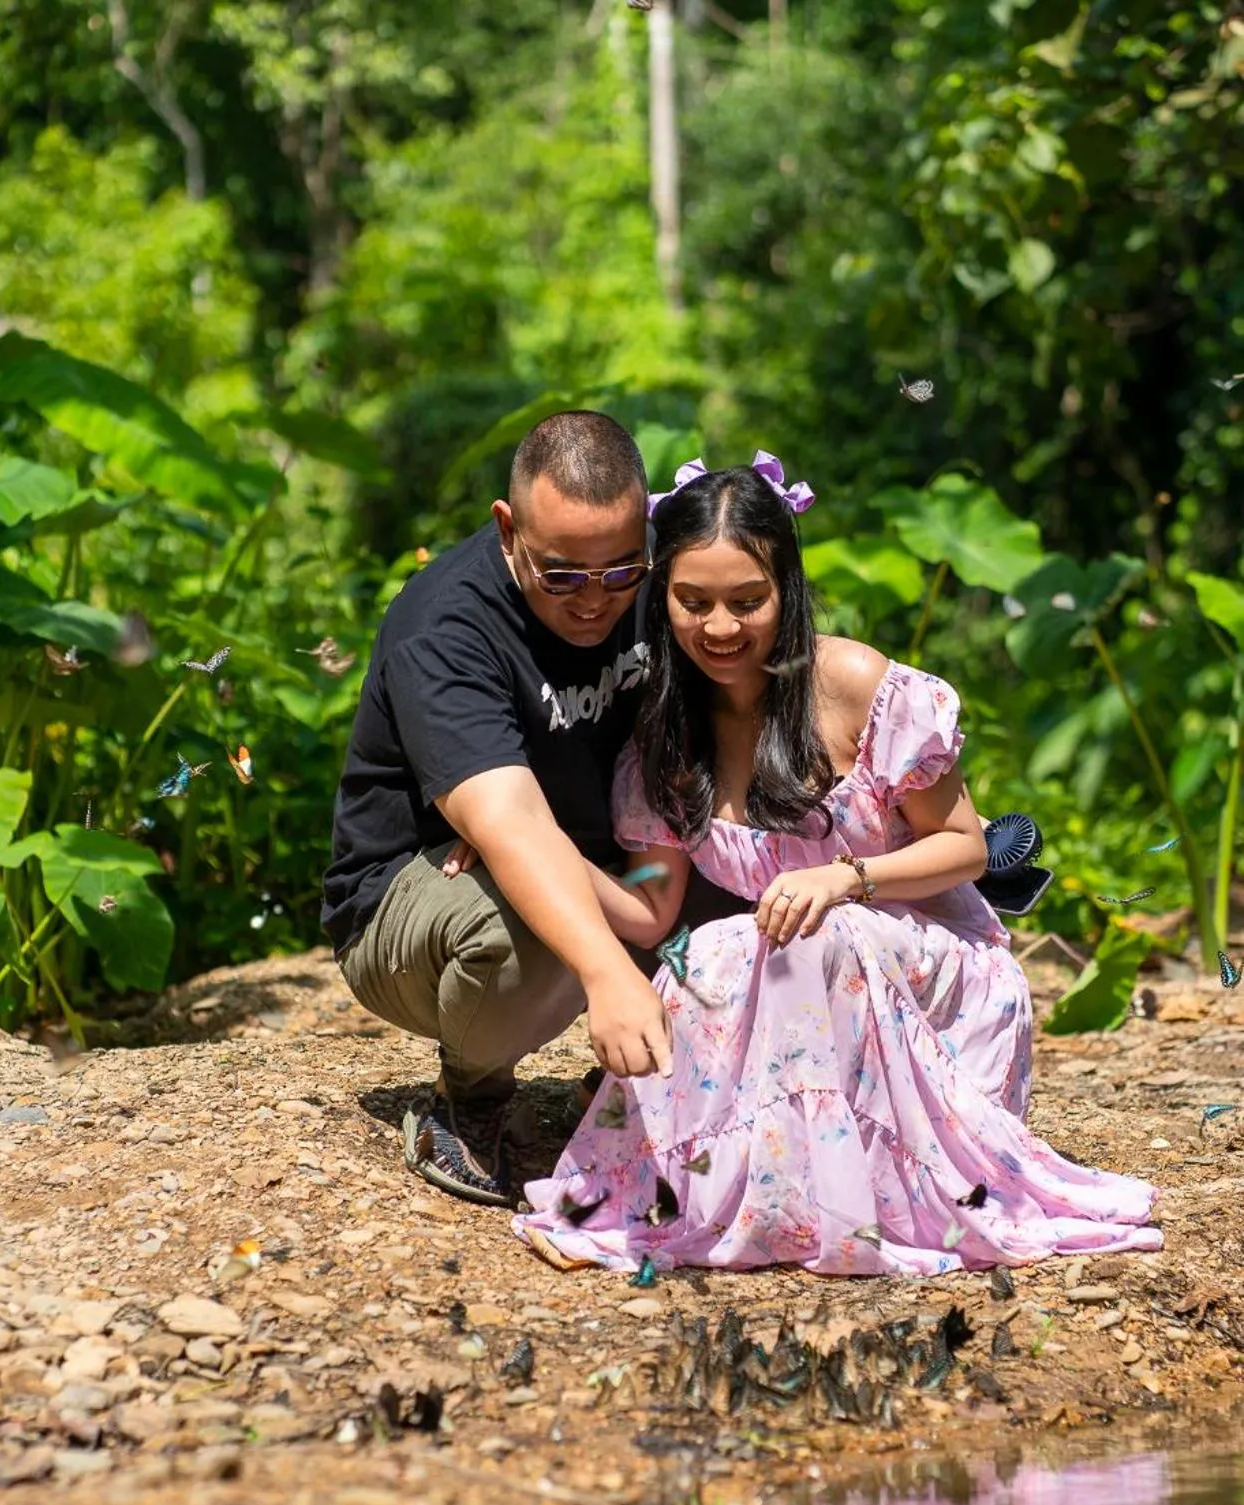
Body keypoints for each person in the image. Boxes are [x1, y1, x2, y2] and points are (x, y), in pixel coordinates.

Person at [514, 456, 1163, 1274]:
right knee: (705, 950)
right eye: (693, 601)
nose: (720, 627)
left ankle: (847, 1206)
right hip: (800, 984)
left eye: (747, 600)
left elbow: (964, 846)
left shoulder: (856, 686)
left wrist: (846, 878)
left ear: (786, 589)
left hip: (931, 977)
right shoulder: (665, 734)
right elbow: (649, 914)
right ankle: (682, 1200)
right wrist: (529, 844)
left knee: (818, 936)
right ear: (662, 596)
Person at [322, 411, 675, 1207]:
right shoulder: (444, 624)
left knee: (762, 873)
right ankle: (470, 1095)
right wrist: (608, 973)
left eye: (621, 571)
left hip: (604, 859)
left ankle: (623, 1087)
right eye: (563, 576)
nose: (595, 601)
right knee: (531, 920)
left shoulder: (658, 576)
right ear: (508, 529)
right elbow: (509, 824)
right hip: (418, 894)